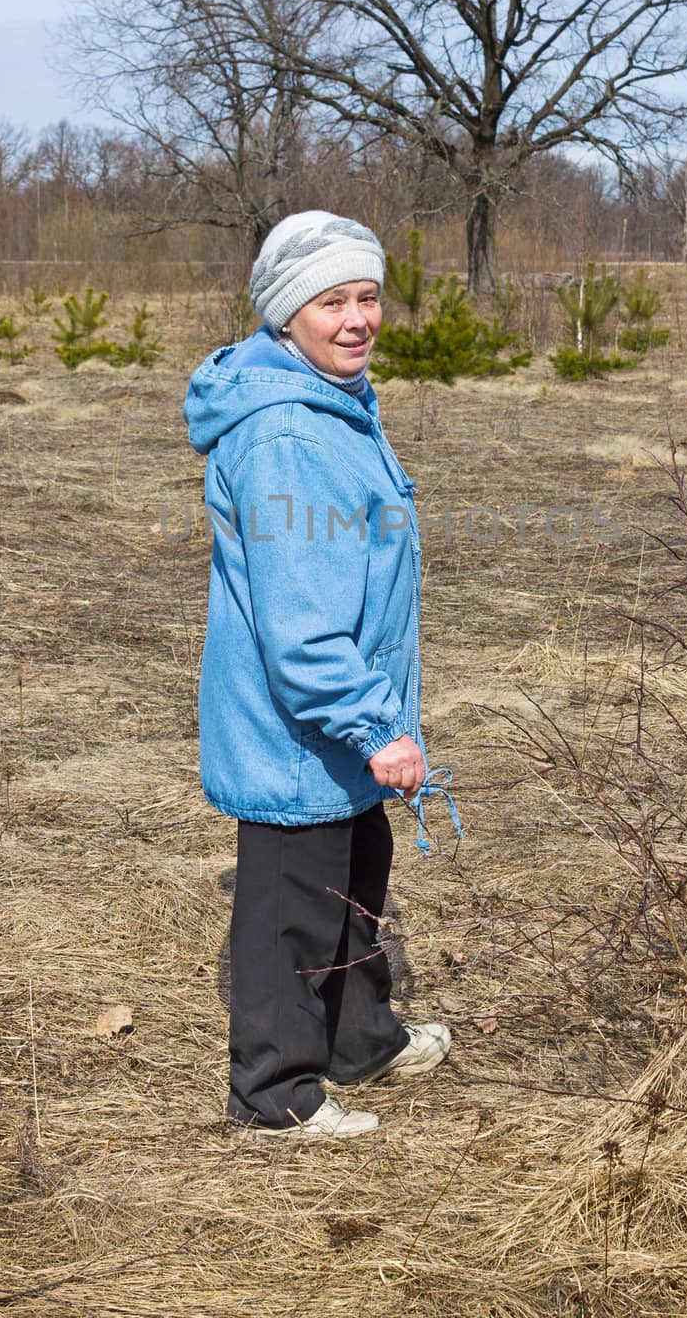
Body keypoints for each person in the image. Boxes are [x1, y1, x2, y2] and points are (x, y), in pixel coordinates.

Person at [183, 210, 452, 1139]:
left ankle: (357, 1041)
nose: (355, 318)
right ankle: (276, 1094)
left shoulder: (335, 403)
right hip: (300, 724)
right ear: (284, 316)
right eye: (329, 300)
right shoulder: (289, 436)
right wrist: (375, 726)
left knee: (351, 880)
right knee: (292, 910)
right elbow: (302, 628)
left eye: (366, 295)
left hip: (330, 724)